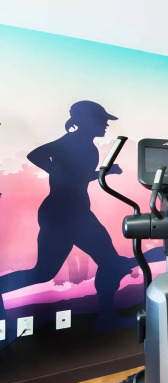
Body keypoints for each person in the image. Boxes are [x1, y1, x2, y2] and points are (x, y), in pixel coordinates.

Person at [0, 101, 135, 329]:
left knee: (106, 262)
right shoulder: (72, 141)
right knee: (45, 272)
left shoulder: (86, 145)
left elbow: (77, 176)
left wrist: (102, 172)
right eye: (102, 120)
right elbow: (36, 155)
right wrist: (59, 171)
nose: (106, 125)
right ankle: (106, 318)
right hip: (63, 213)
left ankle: (106, 317)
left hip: (75, 212)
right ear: (86, 120)